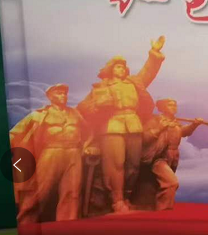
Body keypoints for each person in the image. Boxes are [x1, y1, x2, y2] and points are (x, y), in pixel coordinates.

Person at [78, 36, 166, 213]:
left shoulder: (134, 83)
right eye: (117, 66)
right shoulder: (101, 87)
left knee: (133, 165)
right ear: (111, 69)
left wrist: (154, 53)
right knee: (115, 165)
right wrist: (99, 106)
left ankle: (127, 196)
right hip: (112, 127)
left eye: (123, 66)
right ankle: (116, 200)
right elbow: (84, 108)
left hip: (133, 125)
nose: (121, 69)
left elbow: (148, 71)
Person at [10, 84, 95, 223]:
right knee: (40, 191)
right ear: (50, 97)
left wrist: (87, 146)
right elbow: (15, 133)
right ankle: (26, 222)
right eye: (59, 93)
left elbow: (88, 133)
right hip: (51, 153)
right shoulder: (39, 115)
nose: (63, 96)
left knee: (72, 193)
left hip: (73, 154)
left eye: (64, 93)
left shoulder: (75, 114)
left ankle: (68, 226)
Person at [141, 99, 206, 211]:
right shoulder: (155, 120)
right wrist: (160, 128)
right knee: (171, 183)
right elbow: (144, 137)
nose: (173, 107)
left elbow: (183, 132)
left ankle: (160, 208)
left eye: (175, 105)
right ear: (162, 108)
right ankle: (163, 210)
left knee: (161, 184)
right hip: (159, 156)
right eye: (170, 105)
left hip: (174, 155)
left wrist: (194, 125)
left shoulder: (175, 121)